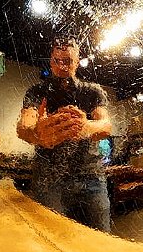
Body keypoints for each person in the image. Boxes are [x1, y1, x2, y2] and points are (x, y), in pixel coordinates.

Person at [17, 38, 113, 231]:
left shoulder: (92, 91)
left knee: (101, 235)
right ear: (51, 62)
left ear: (77, 62)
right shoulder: (37, 91)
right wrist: (37, 133)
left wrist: (85, 127)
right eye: (57, 61)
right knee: (52, 234)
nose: (62, 66)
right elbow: (24, 125)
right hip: (49, 178)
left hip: (90, 176)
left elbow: (106, 125)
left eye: (67, 61)